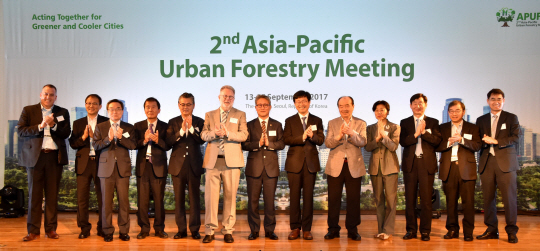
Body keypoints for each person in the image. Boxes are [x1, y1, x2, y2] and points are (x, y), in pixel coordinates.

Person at [18, 84, 71, 241]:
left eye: (52, 95)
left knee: (52, 196)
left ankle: (51, 230)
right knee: (34, 195)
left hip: (54, 157)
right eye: (46, 94)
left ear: (56, 97)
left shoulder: (62, 112)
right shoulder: (29, 110)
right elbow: (21, 130)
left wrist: (53, 125)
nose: (48, 97)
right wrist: (40, 126)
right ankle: (33, 231)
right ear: (41, 95)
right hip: (35, 157)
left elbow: (66, 133)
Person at [201, 85, 248, 243]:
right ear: (219, 97)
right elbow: (203, 134)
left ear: (234, 99)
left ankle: (228, 230)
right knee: (211, 198)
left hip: (232, 162)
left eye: (230, 97)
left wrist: (227, 133)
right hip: (213, 162)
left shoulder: (240, 114)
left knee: (230, 197)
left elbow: (244, 135)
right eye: (224, 96)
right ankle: (210, 230)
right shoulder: (210, 114)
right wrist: (215, 133)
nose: (227, 99)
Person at [475, 88, 520, 243]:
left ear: (504, 100)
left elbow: (516, 137)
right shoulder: (481, 120)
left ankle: (511, 231)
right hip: (487, 163)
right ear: (488, 101)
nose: (496, 102)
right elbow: (477, 141)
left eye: (499, 99)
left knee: (509, 199)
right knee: (488, 199)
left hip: (506, 164)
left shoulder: (511, 118)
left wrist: (496, 141)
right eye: (493, 99)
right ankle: (492, 229)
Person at [93, 99, 137, 242]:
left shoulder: (129, 127)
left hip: (123, 169)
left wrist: (120, 138)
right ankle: (107, 231)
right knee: (106, 203)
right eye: (111, 109)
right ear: (107, 111)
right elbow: (95, 145)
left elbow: (133, 145)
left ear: (122, 111)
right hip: (105, 168)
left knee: (124, 202)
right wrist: (108, 139)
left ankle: (124, 231)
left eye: (118, 109)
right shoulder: (100, 126)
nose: (115, 111)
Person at [436, 100, 481, 242]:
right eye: (451, 111)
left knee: (468, 203)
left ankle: (468, 232)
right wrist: (449, 142)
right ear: (448, 113)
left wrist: (461, 140)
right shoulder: (442, 128)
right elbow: (436, 146)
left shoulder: (472, 127)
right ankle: (452, 229)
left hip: (467, 169)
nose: (454, 113)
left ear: (463, 111)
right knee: (450, 203)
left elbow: (477, 145)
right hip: (448, 169)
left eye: (457, 110)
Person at [241, 94, 284, 241]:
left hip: (271, 169)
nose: (263, 107)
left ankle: (270, 230)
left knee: (270, 201)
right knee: (252, 201)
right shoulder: (249, 125)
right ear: (255, 107)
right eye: (259, 105)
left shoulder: (277, 125)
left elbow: (281, 143)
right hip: (254, 168)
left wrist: (269, 145)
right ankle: (254, 230)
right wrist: (258, 144)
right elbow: (244, 144)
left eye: (265, 105)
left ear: (270, 107)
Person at [283, 90, 325, 240]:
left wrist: (312, 136)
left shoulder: (317, 120)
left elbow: (321, 140)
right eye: (298, 101)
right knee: (294, 197)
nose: (301, 104)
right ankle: (295, 228)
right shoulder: (289, 121)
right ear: (295, 104)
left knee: (308, 198)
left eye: (304, 101)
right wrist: (302, 137)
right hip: (294, 164)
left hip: (311, 164)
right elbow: (286, 139)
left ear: (309, 102)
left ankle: (307, 229)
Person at [399, 93, 441, 241]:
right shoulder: (404, 123)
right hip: (411, 165)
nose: (418, 106)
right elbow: (403, 142)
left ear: (425, 105)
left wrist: (424, 133)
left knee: (426, 201)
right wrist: (416, 134)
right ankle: (411, 230)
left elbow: (437, 141)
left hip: (426, 164)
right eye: (415, 103)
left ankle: (425, 231)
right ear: (411, 106)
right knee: (410, 200)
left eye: (421, 103)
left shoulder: (434, 122)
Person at [323, 96, 366, 241]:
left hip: (354, 166)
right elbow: (328, 143)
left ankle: (352, 230)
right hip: (335, 166)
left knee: (353, 200)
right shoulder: (332, 123)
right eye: (341, 106)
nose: (344, 109)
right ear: (338, 108)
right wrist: (339, 135)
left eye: (347, 105)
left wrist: (352, 133)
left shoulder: (361, 123)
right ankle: (333, 229)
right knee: (333, 199)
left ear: (353, 106)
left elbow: (363, 142)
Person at [166, 92, 205, 239]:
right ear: (178, 105)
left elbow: (201, 140)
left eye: (188, 104)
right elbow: (169, 142)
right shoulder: (173, 122)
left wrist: (190, 129)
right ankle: (181, 229)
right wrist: (182, 130)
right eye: (182, 104)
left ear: (193, 106)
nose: (185, 107)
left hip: (194, 165)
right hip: (178, 166)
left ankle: (195, 229)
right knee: (179, 199)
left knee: (195, 199)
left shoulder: (200, 121)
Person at [68, 94, 108, 239]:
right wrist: (84, 137)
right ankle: (84, 228)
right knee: (82, 199)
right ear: (85, 105)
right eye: (88, 103)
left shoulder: (106, 121)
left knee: (102, 198)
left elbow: (109, 142)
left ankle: (102, 227)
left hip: (101, 164)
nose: (91, 106)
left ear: (100, 106)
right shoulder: (78, 123)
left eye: (95, 103)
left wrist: (95, 137)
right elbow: (73, 144)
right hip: (83, 164)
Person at [133, 97, 170, 239]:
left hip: (158, 167)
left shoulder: (165, 126)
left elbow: (168, 145)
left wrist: (157, 140)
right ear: (144, 110)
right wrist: (144, 140)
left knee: (159, 200)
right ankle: (144, 229)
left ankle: (159, 229)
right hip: (143, 167)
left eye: (153, 107)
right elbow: (134, 145)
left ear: (158, 110)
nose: (150, 109)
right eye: (147, 107)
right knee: (142, 201)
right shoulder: (137, 126)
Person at [365, 100, 400, 240]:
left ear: (388, 111)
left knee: (391, 201)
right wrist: (377, 138)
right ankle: (380, 230)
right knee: (379, 200)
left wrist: (384, 136)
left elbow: (393, 147)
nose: (379, 112)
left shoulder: (395, 127)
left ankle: (388, 230)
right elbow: (367, 147)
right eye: (377, 110)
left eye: (382, 110)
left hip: (390, 168)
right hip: (375, 168)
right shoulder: (370, 128)